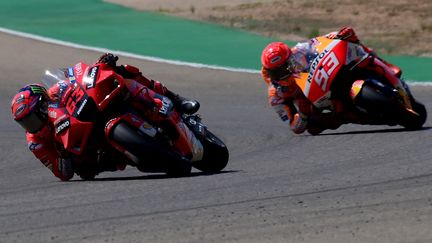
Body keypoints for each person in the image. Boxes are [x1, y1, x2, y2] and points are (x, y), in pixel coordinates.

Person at [10, 53, 200, 181]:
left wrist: (99, 65)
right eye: (25, 123)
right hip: (84, 147)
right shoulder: (36, 142)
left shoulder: (55, 91)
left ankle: (175, 98)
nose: (30, 126)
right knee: (84, 170)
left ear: (43, 105)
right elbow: (62, 173)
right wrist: (63, 156)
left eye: (32, 119)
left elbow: (75, 75)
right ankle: (129, 154)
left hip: (89, 114)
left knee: (122, 72)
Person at [260, 26, 403, 135]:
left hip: (325, 79)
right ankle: (363, 117)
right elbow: (294, 127)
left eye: (283, 68)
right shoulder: (275, 95)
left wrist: (340, 35)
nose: (281, 74)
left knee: (353, 44)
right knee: (314, 127)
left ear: (289, 59)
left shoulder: (300, 50)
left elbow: (322, 41)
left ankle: (385, 65)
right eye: (275, 72)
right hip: (317, 104)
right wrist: (302, 115)